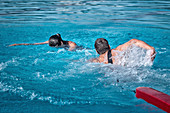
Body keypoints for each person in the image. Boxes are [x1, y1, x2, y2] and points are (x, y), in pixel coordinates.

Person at [90, 38, 156, 64]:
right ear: (109, 46)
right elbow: (133, 42)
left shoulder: (96, 61)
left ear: (96, 51)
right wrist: (151, 48)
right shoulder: (116, 52)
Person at [9, 33, 77, 51]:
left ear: (60, 44)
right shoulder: (52, 41)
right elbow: (34, 44)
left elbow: (72, 50)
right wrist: (17, 44)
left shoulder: (72, 44)